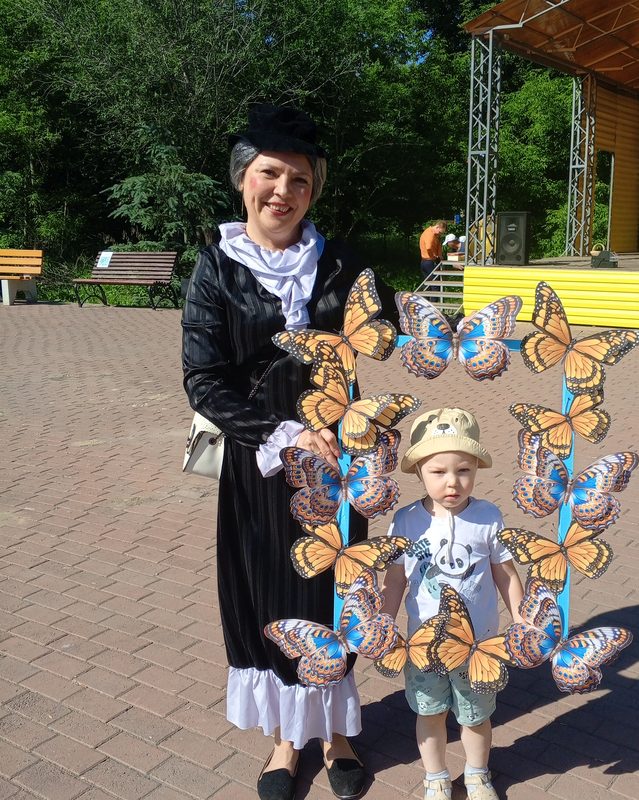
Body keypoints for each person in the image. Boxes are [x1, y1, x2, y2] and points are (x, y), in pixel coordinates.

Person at [182, 104, 397, 800]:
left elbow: (388, 329)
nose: (283, 190)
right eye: (270, 174)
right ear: (243, 178)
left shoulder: (343, 261)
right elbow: (203, 378)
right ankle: (285, 740)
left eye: (299, 179)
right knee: (272, 591)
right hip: (263, 463)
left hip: (339, 463)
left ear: (314, 189)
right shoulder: (216, 267)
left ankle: (336, 736)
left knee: (338, 588)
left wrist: (444, 335)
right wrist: (283, 433)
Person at [381, 408, 524, 800]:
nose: (452, 482)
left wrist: (522, 618)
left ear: (476, 468)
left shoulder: (488, 518)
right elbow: (396, 579)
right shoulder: (407, 522)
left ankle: (477, 774)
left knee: (476, 716)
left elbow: (506, 575)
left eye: (463, 470)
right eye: (438, 471)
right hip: (423, 646)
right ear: (418, 471)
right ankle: (436, 777)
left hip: (479, 646)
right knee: (429, 713)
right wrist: (384, 621)